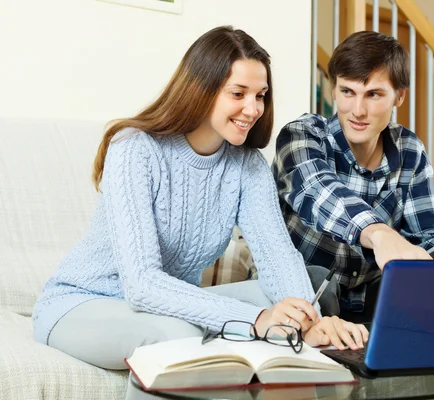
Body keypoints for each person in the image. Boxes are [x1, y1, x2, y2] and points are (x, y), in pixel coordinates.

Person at [32, 26, 369, 377]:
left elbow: (277, 254)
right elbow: (142, 284)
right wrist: (256, 320)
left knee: (305, 295)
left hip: (168, 304)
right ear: (202, 89)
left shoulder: (247, 165)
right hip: (86, 302)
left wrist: (308, 321)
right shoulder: (134, 149)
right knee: (180, 337)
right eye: (238, 93)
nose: (252, 109)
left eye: (261, 95)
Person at [272, 30, 434, 322]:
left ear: (399, 96)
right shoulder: (302, 135)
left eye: (373, 94)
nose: (357, 110)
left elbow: (426, 237)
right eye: (347, 92)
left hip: (374, 304)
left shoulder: (409, 149)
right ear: (334, 89)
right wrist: (379, 233)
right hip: (299, 299)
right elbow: (319, 190)